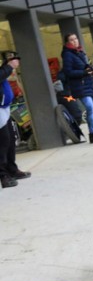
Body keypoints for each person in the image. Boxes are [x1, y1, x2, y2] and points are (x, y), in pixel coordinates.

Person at [61, 34, 93, 144]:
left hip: (88, 84)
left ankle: (92, 135)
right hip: (79, 86)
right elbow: (68, 72)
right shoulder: (67, 55)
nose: (74, 41)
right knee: (90, 108)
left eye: (75, 39)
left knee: (92, 109)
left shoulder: (79, 52)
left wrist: (90, 69)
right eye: (71, 40)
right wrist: (83, 72)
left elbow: (84, 66)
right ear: (67, 42)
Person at [0, 52, 30, 188]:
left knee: (11, 139)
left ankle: (11, 169)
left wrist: (7, 66)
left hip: (4, 108)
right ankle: (3, 175)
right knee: (3, 141)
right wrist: (9, 66)